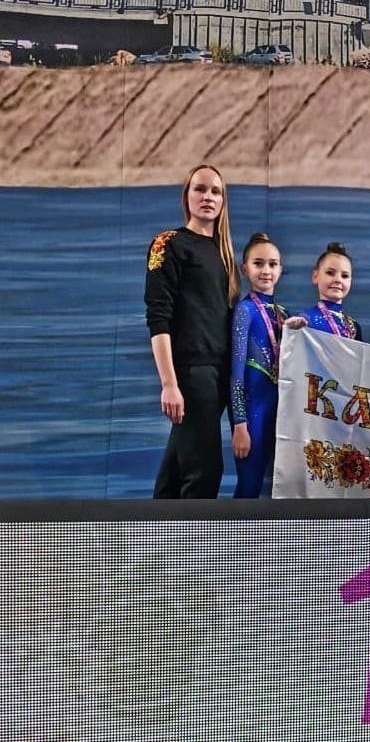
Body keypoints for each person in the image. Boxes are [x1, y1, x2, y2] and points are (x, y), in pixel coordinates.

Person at [144, 163, 240, 498]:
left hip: (218, 375)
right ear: (186, 196)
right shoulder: (168, 243)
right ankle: (193, 534)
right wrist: (169, 383)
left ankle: (157, 529)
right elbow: (158, 316)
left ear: (223, 201)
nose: (208, 196)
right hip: (191, 372)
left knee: (176, 471)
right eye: (200, 189)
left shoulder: (223, 254)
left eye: (216, 191)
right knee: (204, 472)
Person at [230, 232, 305, 499]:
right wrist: (240, 424)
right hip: (254, 414)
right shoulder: (245, 311)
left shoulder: (285, 315)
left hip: (281, 413)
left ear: (281, 270)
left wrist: (299, 332)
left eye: (272, 264)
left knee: (278, 489)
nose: (266, 271)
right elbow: (236, 374)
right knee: (249, 486)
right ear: (245, 269)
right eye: (258, 264)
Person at [300, 242, 363, 340]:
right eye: (330, 273)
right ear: (315, 276)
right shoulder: (304, 321)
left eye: (344, 276)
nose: (338, 280)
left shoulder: (354, 326)